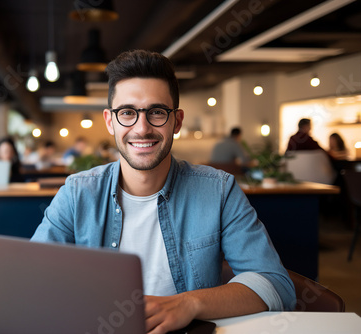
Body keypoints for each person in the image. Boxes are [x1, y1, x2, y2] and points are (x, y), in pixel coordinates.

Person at [31, 50, 295, 333]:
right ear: (110, 121)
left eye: (156, 112)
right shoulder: (76, 193)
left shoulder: (219, 191)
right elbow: (32, 279)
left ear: (176, 121)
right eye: (127, 113)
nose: (142, 128)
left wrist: (190, 303)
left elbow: (276, 285)